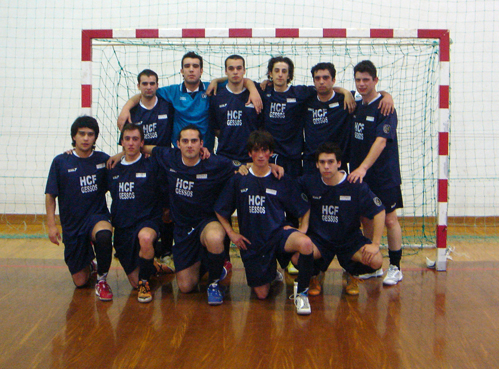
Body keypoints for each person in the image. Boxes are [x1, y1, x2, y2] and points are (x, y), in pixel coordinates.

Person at [215, 130, 314, 315]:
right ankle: (271, 273)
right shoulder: (239, 179)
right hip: (253, 243)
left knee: (306, 244)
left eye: (265, 150)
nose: (261, 155)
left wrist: (303, 228)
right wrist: (232, 233)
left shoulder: (280, 178)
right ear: (249, 153)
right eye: (256, 150)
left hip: (278, 235)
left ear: (271, 153)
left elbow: (305, 207)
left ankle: (302, 293)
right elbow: (220, 210)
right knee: (261, 295)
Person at [143, 125, 241, 305]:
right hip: (182, 230)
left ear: (202, 144)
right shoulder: (169, 158)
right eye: (185, 141)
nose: (190, 145)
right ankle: (214, 264)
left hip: (206, 222)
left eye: (194, 141)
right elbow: (145, 148)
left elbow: (242, 167)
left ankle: (213, 284)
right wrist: (120, 155)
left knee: (214, 237)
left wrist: (270, 165)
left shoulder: (215, 163)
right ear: (177, 144)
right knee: (186, 287)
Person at [118, 52, 262, 152]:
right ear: (181, 70)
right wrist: (126, 107)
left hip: (206, 151)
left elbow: (236, 79)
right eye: (187, 66)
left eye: (195, 66)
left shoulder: (212, 88)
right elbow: (147, 92)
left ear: (201, 70)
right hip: (180, 151)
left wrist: (252, 89)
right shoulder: (172, 91)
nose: (191, 70)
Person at [298, 142, 385, 296]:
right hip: (320, 241)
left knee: (376, 260)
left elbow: (380, 211)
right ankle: (315, 274)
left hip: (348, 241)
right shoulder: (309, 182)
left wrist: (376, 243)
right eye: (322, 162)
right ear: (317, 165)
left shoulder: (354, 185)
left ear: (339, 163)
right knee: (297, 256)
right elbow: (286, 190)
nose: (326, 166)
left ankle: (352, 274)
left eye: (330, 162)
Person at [45, 116, 113, 301]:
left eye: (90, 134)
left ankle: (102, 280)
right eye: (81, 134)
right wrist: (52, 226)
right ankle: (89, 264)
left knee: (104, 236)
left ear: (95, 138)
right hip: (73, 224)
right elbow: (51, 195)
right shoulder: (61, 162)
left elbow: (122, 170)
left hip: (96, 217)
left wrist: (120, 155)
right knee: (81, 281)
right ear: (74, 136)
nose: (85, 138)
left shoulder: (103, 160)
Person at [347, 60, 403, 286]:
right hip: (361, 176)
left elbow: (381, 142)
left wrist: (363, 167)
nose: (361, 84)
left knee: (389, 219)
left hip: (383, 175)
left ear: (375, 81)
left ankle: (396, 267)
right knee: (365, 218)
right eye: (358, 80)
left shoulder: (386, 107)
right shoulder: (355, 103)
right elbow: (335, 90)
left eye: (366, 80)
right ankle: (373, 265)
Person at [303, 62, 395, 174]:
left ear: (333, 80)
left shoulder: (348, 101)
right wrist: (345, 91)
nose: (322, 81)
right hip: (312, 164)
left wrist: (387, 95)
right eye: (318, 78)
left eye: (326, 78)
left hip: (341, 167)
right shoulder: (306, 99)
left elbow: (371, 94)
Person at [125, 68, 175, 273]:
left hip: (163, 165)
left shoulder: (167, 106)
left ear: (157, 85)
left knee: (167, 209)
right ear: (139, 86)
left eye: (152, 83)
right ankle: (145, 249)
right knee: (145, 206)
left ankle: (167, 252)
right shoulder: (133, 111)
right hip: (139, 165)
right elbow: (127, 139)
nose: (148, 87)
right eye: (144, 83)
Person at [107, 123, 163, 303]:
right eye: (127, 139)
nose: (131, 143)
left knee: (146, 239)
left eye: (135, 139)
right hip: (123, 228)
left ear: (142, 142)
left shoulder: (152, 164)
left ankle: (146, 283)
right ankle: (152, 267)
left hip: (147, 222)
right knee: (133, 282)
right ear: (121, 142)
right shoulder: (112, 167)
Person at [209, 54, 263, 164]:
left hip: (251, 157)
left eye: (239, 68)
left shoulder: (256, 94)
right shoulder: (217, 96)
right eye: (231, 68)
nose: (235, 72)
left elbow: (261, 126)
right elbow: (215, 128)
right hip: (225, 156)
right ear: (225, 71)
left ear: (244, 70)